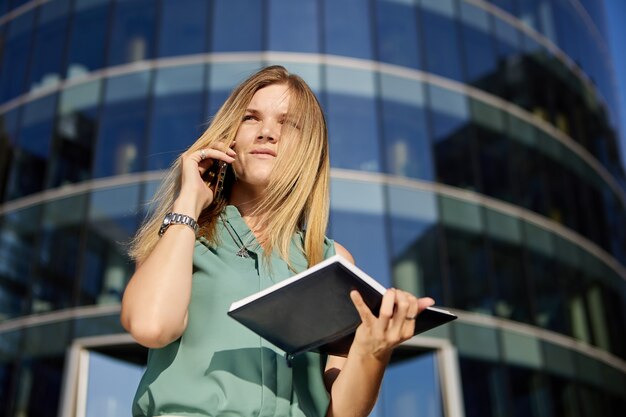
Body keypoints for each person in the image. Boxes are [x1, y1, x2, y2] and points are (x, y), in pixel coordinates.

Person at [121, 65, 434, 417]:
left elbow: (345, 412)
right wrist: (187, 203)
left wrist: (374, 350)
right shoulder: (181, 237)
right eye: (251, 118)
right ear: (230, 137)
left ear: (309, 148)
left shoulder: (329, 260)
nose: (267, 132)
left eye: (288, 123)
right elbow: (150, 327)